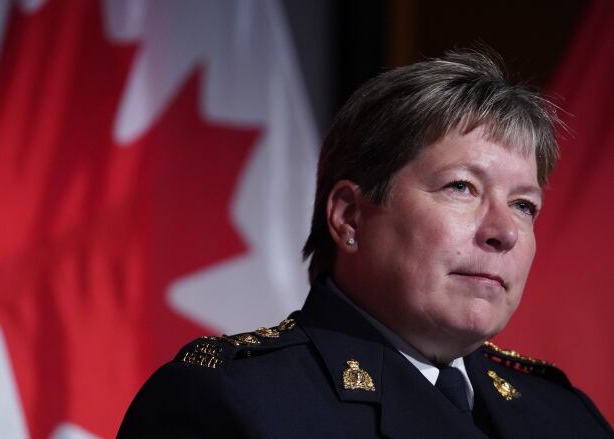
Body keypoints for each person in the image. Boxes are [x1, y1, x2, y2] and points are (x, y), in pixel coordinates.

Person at [117, 49, 614, 438]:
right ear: (350, 217)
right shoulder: (229, 405)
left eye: (525, 205)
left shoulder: (564, 414)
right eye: (462, 187)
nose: (504, 231)